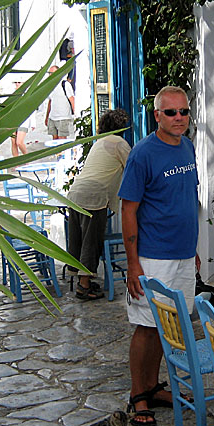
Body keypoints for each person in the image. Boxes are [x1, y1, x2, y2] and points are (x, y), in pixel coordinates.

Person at [118, 85, 200, 426]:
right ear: (157, 116)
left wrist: (193, 250)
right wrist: (133, 263)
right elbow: (128, 210)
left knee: (168, 327)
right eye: (171, 113)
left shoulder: (187, 147)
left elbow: (183, 202)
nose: (179, 118)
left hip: (182, 256)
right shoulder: (143, 154)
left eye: (184, 112)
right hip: (152, 258)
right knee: (146, 327)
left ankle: (153, 387)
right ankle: (138, 394)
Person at [65, 109, 132, 300]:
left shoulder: (99, 143)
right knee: (91, 241)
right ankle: (84, 286)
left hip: (76, 193)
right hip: (94, 195)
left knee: (78, 239)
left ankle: (81, 280)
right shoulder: (119, 143)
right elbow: (133, 169)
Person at [45, 65, 75, 139]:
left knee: (62, 139)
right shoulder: (50, 86)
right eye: (50, 73)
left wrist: (74, 115)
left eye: (52, 73)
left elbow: (72, 100)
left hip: (63, 117)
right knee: (54, 139)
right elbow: (50, 102)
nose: (51, 75)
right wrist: (47, 116)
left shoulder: (65, 85)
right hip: (53, 117)